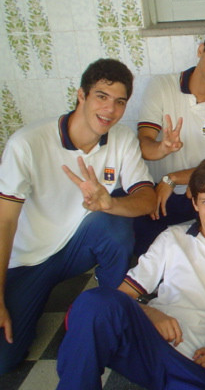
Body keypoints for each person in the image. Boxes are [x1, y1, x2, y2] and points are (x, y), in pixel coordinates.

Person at [56, 157, 205, 390]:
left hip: (198, 363)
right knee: (93, 303)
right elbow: (122, 295)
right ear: (195, 203)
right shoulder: (172, 238)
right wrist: (152, 313)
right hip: (152, 345)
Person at [0, 58, 155, 374]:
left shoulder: (122, 138)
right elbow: (5, 222)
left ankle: (108, 309)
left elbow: (147, 199)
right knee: (5, 360)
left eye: (120, 101)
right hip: (28, 260)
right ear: (81, 95)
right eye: (101, 96)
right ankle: (31, 300)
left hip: (77, 248)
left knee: (114, 224)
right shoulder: (26, 143)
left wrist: (110, 204)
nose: (110, 110)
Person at [134, 20, 205, 255]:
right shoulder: (162, 86)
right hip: (155, 193)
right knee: (144, 249)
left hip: (197, 196)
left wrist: (174, 178)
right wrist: (163, 148)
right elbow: (144, 145)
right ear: (201, 50)